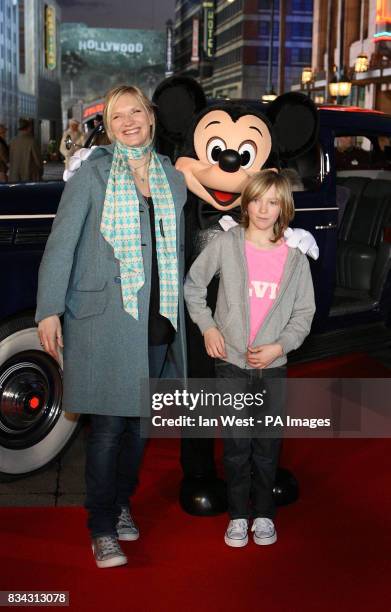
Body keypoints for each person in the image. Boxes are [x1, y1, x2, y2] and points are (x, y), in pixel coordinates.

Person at [36, 85, 187, 568]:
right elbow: (61, 245)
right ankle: (101, 526)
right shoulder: (91, 174)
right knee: (106, 428)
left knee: (140, 426)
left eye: (135, 112)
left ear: (150, 117)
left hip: (156, 319)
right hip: (104, 318)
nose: (128, 122)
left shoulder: (171, 176)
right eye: (118, 115)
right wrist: (47, 310)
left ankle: (122, 503)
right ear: (109, 123)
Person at [184, 170, 315, 548]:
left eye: (272, 202)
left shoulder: (295, 259)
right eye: (256, 200)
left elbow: (304, 314)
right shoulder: (227, 244)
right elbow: (194, 287)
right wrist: (208, 327)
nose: (263, 209)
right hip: (230, 364)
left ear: (283, 208)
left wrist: (281, 346)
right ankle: (238, 515)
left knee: (267, 445)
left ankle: (264, 515)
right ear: (246, 203)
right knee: (237, 445)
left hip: (273, 368)